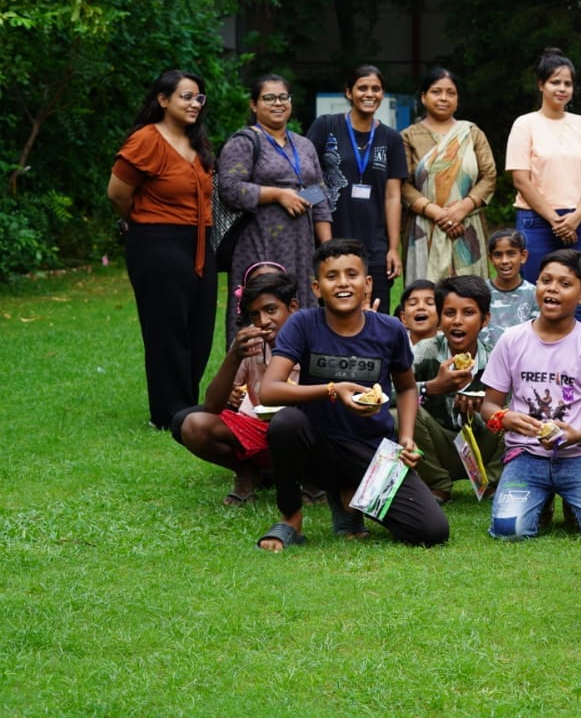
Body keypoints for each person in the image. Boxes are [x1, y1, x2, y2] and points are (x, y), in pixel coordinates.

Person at [255, 238, 450, 550]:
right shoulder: (303, 324)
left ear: (367, 283)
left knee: (431, 531)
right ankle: (291, 519)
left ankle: (350, 496)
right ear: (317, 288)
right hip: (317, 446)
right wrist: (333, 389)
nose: (343, 283)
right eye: (332, 276)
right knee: (286, 423)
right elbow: (269, 390)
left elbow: (406, 387)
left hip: (373, 449)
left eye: (352, 274)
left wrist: (406, 438)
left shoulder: (389, 329)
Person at [480, 249, 581, 540]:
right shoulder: (512, 340)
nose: (552, 289)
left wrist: (575, 435)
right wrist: (506, 418)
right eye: (546, 281)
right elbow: (489, 406)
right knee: (509, 530)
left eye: (564, 284)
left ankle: (573, 499)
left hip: (580, 455)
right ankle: (543, 498)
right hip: (525, 455)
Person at [107, 69, 218, 430]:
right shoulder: (146, 140)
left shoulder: (197, 141)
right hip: (157, 242)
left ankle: (187, 403)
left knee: (200, 326)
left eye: (199, 97)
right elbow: (117, 194)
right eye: (186, 96)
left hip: (199, 241)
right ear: (163, 99)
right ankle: (169, 413)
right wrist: (143, 222)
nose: (194, 103)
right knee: (167, 329)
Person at [217, 75, 332, 339]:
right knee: (262, 304)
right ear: (254, 105)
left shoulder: (304, 145)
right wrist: (277, 195)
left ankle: (297, 364)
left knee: (301, 306)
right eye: (268, 98)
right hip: (260, 242)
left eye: (283, 97)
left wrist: (327, 249)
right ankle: (252, 364)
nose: (277, 103)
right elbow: (229, 188)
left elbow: (319, 195)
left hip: (301, 246)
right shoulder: (244, 142)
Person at [172, 270, 300, 506]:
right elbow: (212, 407)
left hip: (304, 433)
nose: (263, 321)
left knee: (295, 422)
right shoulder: (251, 343)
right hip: (262, 429)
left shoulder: (312, 336)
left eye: (271, 310)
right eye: (255, 314)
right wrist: (234, 356)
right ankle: (247, 472)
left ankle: (312, 482)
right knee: (193, 424)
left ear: (292, 307)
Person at [306, 65, 408, 311]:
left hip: (374, 246)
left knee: (375, 313)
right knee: (329, 314)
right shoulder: (326, 126)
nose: (369, 94)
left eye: (376, 89)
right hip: (330, 239)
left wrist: (393, 248)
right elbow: (308, 181)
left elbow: (393, 195)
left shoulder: (391, 138)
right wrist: (324, 241)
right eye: (362, 88)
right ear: (348, 92)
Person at [506, 50, 581, 277]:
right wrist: (555, 220)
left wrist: (576, 217)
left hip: (580, 222)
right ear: (541, 84)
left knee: (576, 288)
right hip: (537, 222)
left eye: (568, 84)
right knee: (537, 288)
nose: (562, 88)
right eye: (555, 82)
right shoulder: (525, 124)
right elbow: (521, 180)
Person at [411, 275, 502, 503]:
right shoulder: (425, 351)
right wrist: (431, 387)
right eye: (449, 313)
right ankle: (438, 483)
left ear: (485, 319)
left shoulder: (496, 357)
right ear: (439, 319)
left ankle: (491, 482)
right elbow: (387, 392)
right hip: (438, 444)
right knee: (402, 411)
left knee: (517, 412)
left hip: (483, 445)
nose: (457, 321)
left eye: (468, 313)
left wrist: (486, 408)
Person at [402, 68, 497, 283]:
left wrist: (461, 209)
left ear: (457, 99)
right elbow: (403, 185)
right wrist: (439, 214)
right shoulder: (409, 136)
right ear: (423, 97)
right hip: (424, 228)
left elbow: (489, 176)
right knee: (425, 292)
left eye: (450, 93)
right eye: (436, 92)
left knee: (469, 292)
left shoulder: (472, 133)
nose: (444, 98)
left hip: (468, 224)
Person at [483, 229, 538, 348]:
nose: (505, 261)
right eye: (498, 255)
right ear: (491, 259)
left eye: (511, 254)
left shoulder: (534, 294)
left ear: (523, 256)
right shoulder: (480, 292)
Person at [397, 279, 438, 351]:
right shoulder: (393, 348)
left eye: (430, 302)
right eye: (413, 303)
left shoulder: (451, 347)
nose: (421, 307)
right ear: (403, 318)